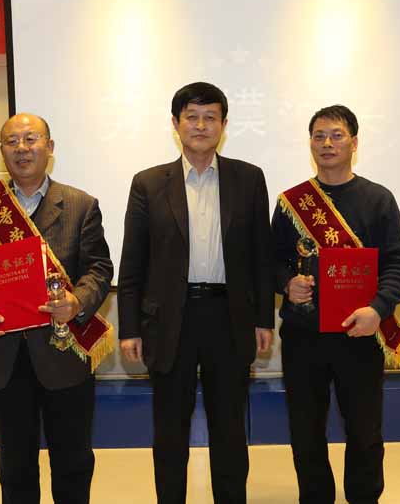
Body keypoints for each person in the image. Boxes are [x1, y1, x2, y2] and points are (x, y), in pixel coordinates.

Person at [0, 113, 113, 504]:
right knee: (14, 467)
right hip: (4, 357)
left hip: (65, 352)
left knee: (72, 463)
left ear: (49, 148)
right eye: (12, 141)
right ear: (1, 151)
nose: (22, 148)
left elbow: (99, 269)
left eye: (31, 139)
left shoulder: (81, 205)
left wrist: (76, 302)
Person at [117, 82, 274, 504]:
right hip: (171, 321)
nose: (201, 125)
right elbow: (133, 263)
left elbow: (261, 257)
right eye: (191, 117)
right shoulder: (149, 183)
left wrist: (264, 319)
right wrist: (129, 328)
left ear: (223, 124)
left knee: (230, 430)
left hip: (230, 317)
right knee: (170, 431)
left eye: (210, 117)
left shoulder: (249, 178)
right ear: (176, 123)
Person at [271, 105, 400, 504]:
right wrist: (287, 283)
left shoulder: (378, 199)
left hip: (360, 335)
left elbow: (398, 264)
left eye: (336, 135)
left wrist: (378, 309)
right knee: (305, 431)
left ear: (354, 142)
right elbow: (271, 260)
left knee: (365, 431)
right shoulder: (291, 203)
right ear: (310, 143)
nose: (327, 144)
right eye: (318, 136)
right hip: (304, 336)